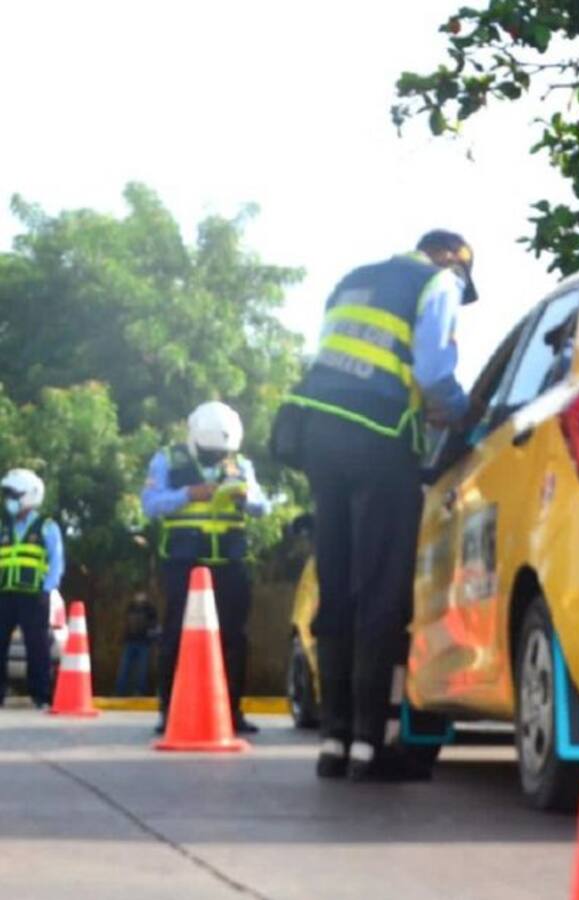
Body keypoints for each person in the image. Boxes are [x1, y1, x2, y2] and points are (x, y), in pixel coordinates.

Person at [282, 230, 473, 780]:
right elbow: (433, 371)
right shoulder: (435, 281)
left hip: (319, 437)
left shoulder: (353, 281)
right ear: (450, 259)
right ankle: (369, 744)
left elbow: (351, 364)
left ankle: (333, 744)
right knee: (380, 591)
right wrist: (460, 411)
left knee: (336, 587)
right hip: (379, 440)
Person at [141, 401, 268, 735]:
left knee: (234, 638)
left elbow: (262, 505)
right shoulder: (168, 460)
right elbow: (151, 504)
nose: (217, 458)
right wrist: (188, 494)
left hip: (230, 563)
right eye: (210, 453)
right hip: (185, 564)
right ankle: (169, 710)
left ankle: (232, 711)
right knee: (175, 636)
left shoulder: (241, 464)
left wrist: (246, 500)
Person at [0, 469, 64, 709]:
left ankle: (42, 695)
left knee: (37, 646)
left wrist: (46, 590)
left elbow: (57, 562)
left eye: (13, 495)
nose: (9, 501)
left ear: (29, 496)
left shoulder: (46, 527)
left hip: (33, 595)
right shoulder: (3, 526)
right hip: (4, 594)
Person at [114, 592, 159, 697]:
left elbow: (154, 625)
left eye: (141, 595)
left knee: (142, 670)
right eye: (137, 595)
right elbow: (125, 623)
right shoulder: (130, 607)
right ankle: (120, 691)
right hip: (130, 641)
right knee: (124, 668)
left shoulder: (150, 609)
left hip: (143, 642)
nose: (139, 597)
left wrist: (151, 636)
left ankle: (140, 692)